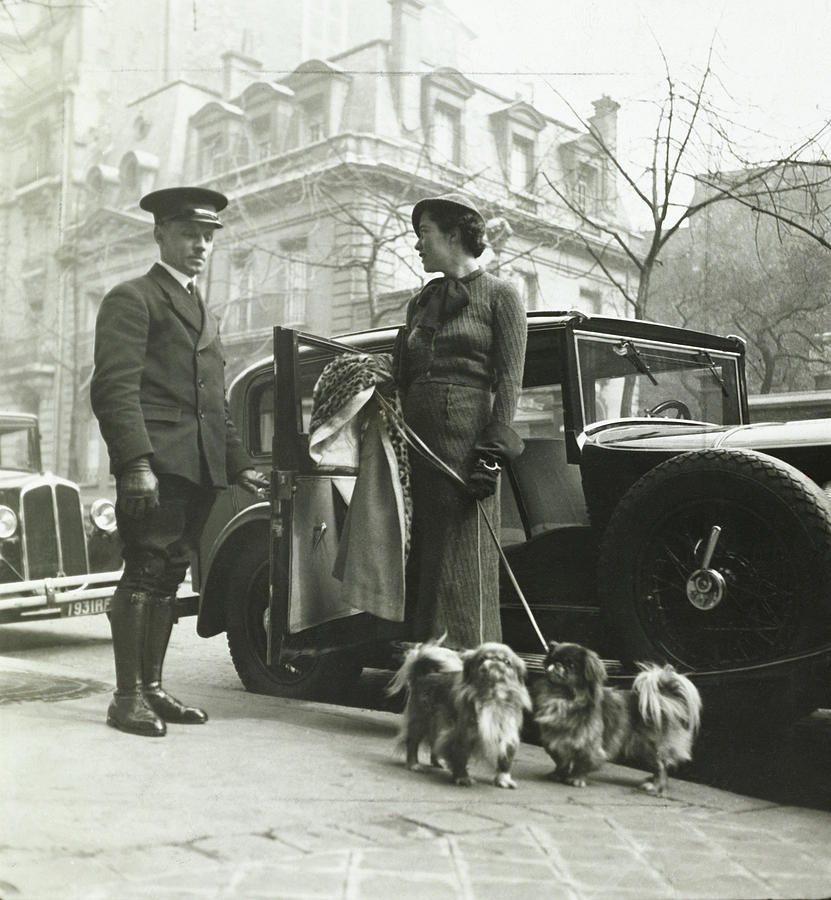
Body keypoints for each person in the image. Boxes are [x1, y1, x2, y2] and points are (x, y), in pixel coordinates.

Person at [90, 186, 268, 737]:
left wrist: (239, 464)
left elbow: (213, 405)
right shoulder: (133, 297)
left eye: (209, 236)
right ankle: (127, 698)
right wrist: (135, 463)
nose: (200, 245)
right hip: (157, 468)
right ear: (160, 233)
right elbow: (113, 390)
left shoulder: (200, 308)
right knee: (144, 572)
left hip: (199, 471)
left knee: (168, 578)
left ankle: (153, 689)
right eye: (189, 233)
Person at [397, 192, 527, 650]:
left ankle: (472, 674)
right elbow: (403, 375)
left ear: (454, 235)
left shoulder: (502, 295)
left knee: (464, 560)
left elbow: (510, 380)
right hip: (417, 448)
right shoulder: (419, 304)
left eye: (424, 234)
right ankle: (425, 679)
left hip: (468, 453)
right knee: (424, 560)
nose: (417, 246)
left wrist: (490, 459)